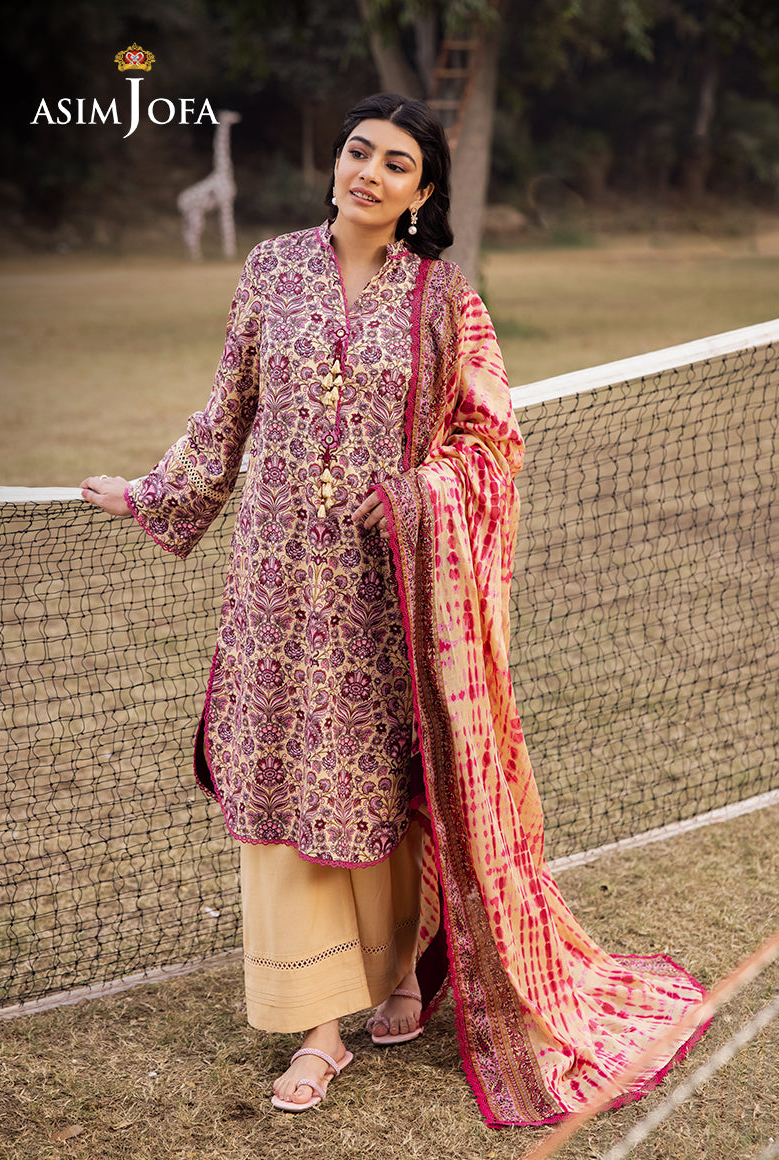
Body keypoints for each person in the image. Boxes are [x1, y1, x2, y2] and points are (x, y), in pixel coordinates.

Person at [81, 92, 706, 1125]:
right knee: (287, 781)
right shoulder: (270, 270)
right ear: (334, 163)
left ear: (422, 192)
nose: (368, 172)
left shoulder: (445, 300)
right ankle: (318, 1026)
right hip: (277, 583)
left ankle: (400, 963)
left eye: (396, 163)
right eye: (357, 151)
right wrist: (150, 492)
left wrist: (419, 496)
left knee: (386, 781)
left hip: (387, 591)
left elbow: (492, 441)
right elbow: (228, 412)